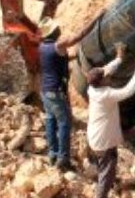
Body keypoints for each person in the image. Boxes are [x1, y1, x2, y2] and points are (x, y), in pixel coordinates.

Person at [37, 11, 105, 170]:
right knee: (64, 124)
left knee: (51, 122)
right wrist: (97, 17)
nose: (59, 29)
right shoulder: (58, 46)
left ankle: (53, 155)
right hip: (56, 92)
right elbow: (79, 36)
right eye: (56, 28)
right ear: (53, 32)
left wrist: (77, 57)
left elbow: (59, 59)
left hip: (46, 92)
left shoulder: (42, 47)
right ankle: (64, 160)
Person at [84, 47, 135, 198]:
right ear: (101, 82)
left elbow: (106, 70)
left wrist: (119, 57)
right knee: (106, 175)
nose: (109, 77)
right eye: (106, 77)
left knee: (103, 166)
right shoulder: (105, 95)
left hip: (96, 138)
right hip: (103, 142)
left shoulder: (93, 87)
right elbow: (128, 91)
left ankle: (104, 181)